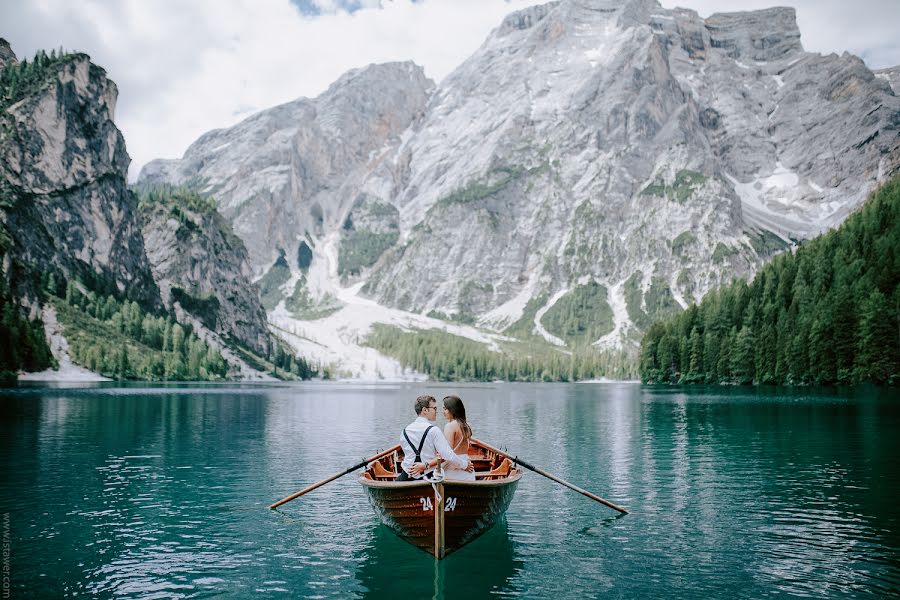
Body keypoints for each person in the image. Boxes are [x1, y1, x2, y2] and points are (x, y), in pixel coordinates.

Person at [398, 395, 473, 481]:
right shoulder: (434, 430)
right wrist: (465, 465)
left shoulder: (404, 431)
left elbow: (405, 453)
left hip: (407, 474)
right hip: (428, 476)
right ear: (425, 410)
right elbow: (447, 455)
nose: (437, 412)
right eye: (434, 408)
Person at [441, 395, 476, 481]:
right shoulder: (467, 426)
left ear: (452, 410)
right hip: (469, 472)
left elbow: (448, 454)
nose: (443, 412)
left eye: (445, 409)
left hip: (454, 471)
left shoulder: (449, 426)